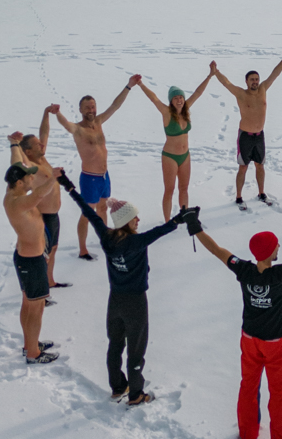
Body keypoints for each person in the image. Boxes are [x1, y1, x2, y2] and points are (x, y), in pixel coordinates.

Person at [185, 210, 282, 439]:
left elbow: (217, 250)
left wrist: (194, 225)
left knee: (248, 387)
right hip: (275, 345)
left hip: (249, 340)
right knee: (278, 393)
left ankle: (247, 436)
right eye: (276, 245)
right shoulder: (279, 274)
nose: (279, 246)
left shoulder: (243, 269)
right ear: (270, 252)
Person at [57, 171, 189, 403]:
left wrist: (69, 187)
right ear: (126, 220)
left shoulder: (107, 236)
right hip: (136, 302)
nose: (138, 220)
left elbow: (88, 211)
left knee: (115, 344)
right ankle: (136, 394)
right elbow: (160, 231)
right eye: (134, 217)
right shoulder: (136, 241)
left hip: (115, 300)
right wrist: (179, 220)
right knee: (136, 349)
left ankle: (118, 386)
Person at [51, 79, 140, 259]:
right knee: (87, 214)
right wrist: (57, 113)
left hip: (104, 176)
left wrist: (129, 86)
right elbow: (66, 124)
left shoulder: (98, 122)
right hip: (90, 178)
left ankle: (105, 240)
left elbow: (115, 105)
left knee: (103, 209)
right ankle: (82, 249)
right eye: (87, 108)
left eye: (93, 107)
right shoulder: (78, 129)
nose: (91, 110)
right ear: (80, 110)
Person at [2, 147, 60, 364]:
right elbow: (39, 194)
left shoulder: (15, 192)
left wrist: (14, 145)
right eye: (28, 177)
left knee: (29, 304)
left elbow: (16, 164)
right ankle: (33, 354)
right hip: (31, 262)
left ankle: (30, 345)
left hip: (30, 258)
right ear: (19, 183)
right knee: (35, 308)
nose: (32, 179)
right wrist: (53, 178)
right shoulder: (18, 202)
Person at [209, 54, 282, 208]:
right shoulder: (241, 94)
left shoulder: (263, 89)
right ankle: (239, 197)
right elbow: (226, 83)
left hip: (259, 136)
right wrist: (215, 71)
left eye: (257, 79)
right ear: (246, 81)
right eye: (252, 79)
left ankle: (261, 193)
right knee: (243, 167)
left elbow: (275, 73)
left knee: (260, 166)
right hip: (245, 136)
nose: (255, 82)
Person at [132, 74, 213, 220]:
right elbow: (154, 99)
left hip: (185, 155)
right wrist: (141, 85)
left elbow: (198, 92)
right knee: (169, 190)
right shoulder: (167, 113)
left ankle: (185, 216)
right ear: (171, 101)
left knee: (184, 188)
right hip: (170, 156)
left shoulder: (186, 110)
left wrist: (210, 75)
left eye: (181, 97)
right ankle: (167, 222)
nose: (179, 100)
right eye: (175, 98)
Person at [10, 110, 69, 292]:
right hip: (43, 217)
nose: (42, 144)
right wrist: (15, 144)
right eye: (37, 144)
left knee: (53, 249)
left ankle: (50, 281)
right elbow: (17, 162)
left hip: (54, 216)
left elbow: (45, 133)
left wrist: (46, 113)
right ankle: (38, 290)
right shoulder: (32, 166)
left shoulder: (42, 158)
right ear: (28, 151)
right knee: (42, 254)